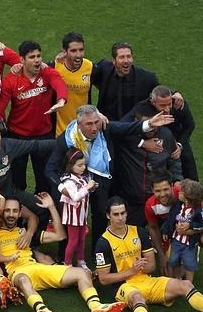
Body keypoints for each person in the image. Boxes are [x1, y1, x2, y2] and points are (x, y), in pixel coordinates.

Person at [45, 104, 175, 251]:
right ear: (79, 124)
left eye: (96, 122)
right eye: (89, 124)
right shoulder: (67, 139)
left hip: (100, 180)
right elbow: (50, 169)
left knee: (101, 213)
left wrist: (149, 124)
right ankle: (64, 256)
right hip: (74, 184)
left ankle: (98, 251)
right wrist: (64, 189)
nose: (94, 128)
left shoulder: (104, 127)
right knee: (69, 218)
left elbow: (126, 128)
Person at [95, 196, 203, 312]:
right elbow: (104, 279)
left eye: (123, 213)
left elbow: (152, 265)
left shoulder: (139, 232)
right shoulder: (103, 243)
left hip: (147, 281)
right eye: (116, 214)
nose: (120, 218)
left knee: (186, 285)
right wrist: (131, 272)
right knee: (137, 297)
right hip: (124, 287)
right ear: (108, 215)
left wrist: (141, 268)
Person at [0, 194, 125, 312]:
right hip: (18, 272)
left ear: (20, 213)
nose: (11, 214)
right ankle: (41, 309)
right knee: (23, 280)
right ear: (2, 211)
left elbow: (60, 235)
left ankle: (96, 307)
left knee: (82, 273)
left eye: (15, 211)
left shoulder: (27, 233)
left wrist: (51, 207)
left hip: (38, 268)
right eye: (7, 210)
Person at [144, 170, 203, 300]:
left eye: (166, 189)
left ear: (172, 186)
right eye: (157, 191)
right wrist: (161, 256)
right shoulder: (151, 205)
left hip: (201, 225)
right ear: (152, 190)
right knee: (173, 268)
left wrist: (191, 231)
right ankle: (190, 255)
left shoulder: (184, 193)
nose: (162, 194)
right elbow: (153, 229)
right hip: (178, 233)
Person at [0, 40, 68, 193]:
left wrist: (62, 99)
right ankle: (18, 213)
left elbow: (59, 83)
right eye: (32, 57)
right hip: (18, 137)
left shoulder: (47, 73)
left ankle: (43, 215)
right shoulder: (11, 80)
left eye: (39, 56)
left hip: (44, 136)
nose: (37, 60)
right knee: (17, 180)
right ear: (22, 60)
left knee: (45, 180)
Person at [113, 103, 183, 226]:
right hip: (132, 199)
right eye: (148, 125)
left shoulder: (166, 135)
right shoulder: (126, 137)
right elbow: (111, 130)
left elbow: (174, 159)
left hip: (159, 198)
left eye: (154, 124)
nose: (152, 129)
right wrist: (141, 143)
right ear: (137, 122)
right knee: (134, 237)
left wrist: (177, 179)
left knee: (165, 234)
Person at [92, 42, 184, 121]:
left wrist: (175, 93)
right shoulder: (104, 69)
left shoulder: (146, 77)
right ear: (113, 61)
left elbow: (159, 91)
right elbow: (86, 73)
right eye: (121, 57)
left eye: (129, 57)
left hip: (133, 129)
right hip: (108, 126)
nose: (126, 61)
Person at [121, 85, 198, 180]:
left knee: (192, 179)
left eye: (169, 104)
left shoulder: (178, 103)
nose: (167, 109)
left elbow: (190, 125)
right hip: (155, 148)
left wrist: (179, 145)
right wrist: (142, 143)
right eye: (162, 105)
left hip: (179, 142)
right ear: (152, 102)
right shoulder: (141, 109)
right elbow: (122, 128)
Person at [162, 179, 203, 282]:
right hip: (176, 241)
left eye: (181, 191)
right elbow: (171, 218)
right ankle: (175, 279)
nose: (179, 192)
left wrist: (190, 225)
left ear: (188, 197)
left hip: (189, 244)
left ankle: (189, 285)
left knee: (189, 263)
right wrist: (166, 230)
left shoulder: (198, 211)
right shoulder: (178, 205)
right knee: (173, 260)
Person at [49, 32, 94, 136]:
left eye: (81, 50)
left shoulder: (91, 67)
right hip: (59, 132)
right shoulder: (54, 67)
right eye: (73, 51)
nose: (78, 55)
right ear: (64, 51)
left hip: (83, 131)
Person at [59, 148, 97, 268]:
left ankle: (81, 261)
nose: (83, 168)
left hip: (82, 215)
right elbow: (75, 197)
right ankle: (67, 264)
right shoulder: (68, 181)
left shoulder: (82, 178)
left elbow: (84, 193)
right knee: (73, 241)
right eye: (79, 165)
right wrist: (87, 187)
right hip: (73, 217)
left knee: (81, 240)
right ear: (71, 165)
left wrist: (91, 187)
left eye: (84, 165)